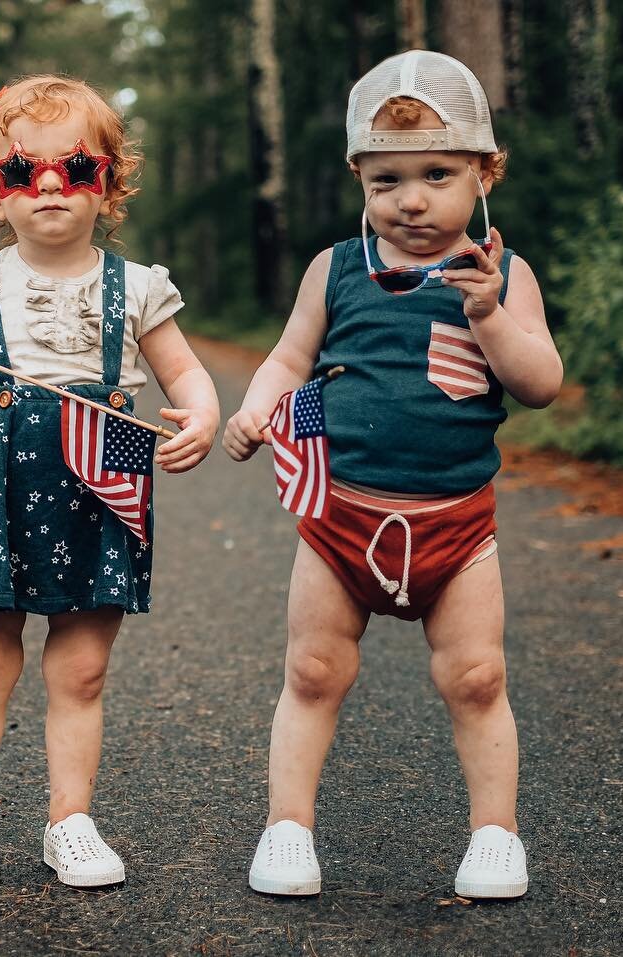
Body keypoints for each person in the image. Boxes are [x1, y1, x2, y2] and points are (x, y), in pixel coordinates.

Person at [223, 50, 562, 900]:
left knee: (477, 677)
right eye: (386, 181)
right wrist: (259, 406)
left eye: (438, 174)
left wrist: (488, 317)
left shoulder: (503, 275)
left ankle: (495, 835)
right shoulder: (335, 269)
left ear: (485, 172)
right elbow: (290, 356)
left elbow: (541, 384)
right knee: (313, 671)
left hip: (456, 523)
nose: (411, 199)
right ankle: (288, 829)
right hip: (341, 521)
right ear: (359, 178)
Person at [0, 75, 220, 889]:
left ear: (108, 185)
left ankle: (69, 819)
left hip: (100, 479)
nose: (49, 185)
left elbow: (185, 373)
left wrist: (201, 413)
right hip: (0, 484)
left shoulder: (139, 285)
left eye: (75, 169)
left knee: (79, 670)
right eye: (23, 171)